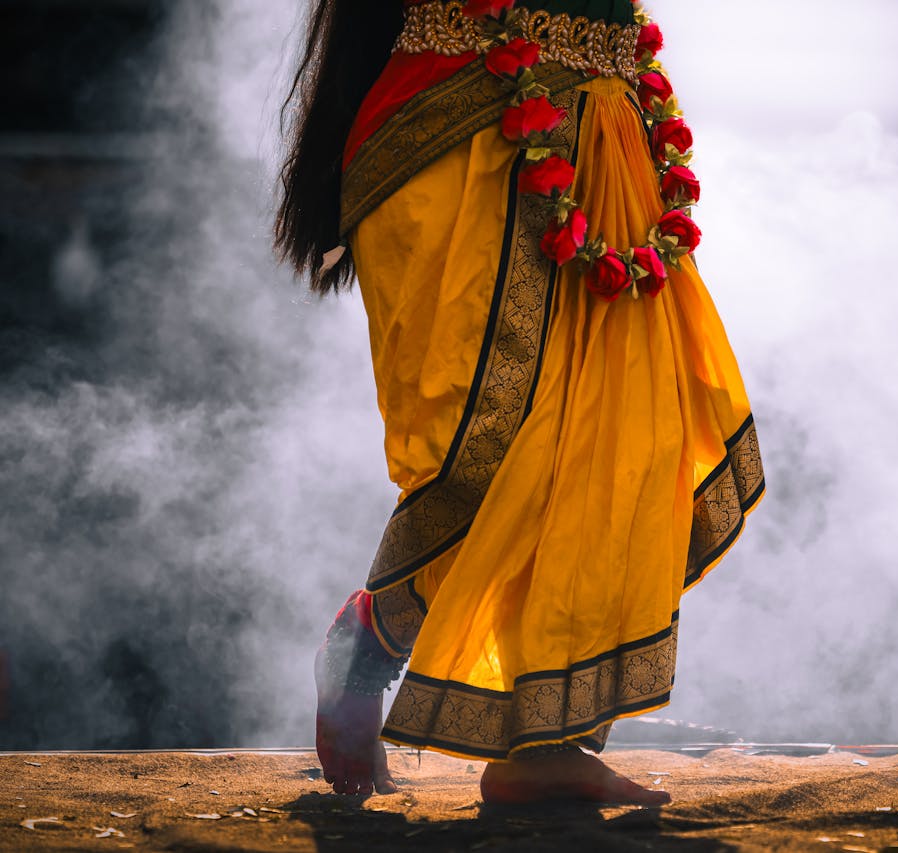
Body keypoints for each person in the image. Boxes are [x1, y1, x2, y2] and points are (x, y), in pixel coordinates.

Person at [276, 0, 763, 805]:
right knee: (500, 445)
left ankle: (546, 750)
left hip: (604, 141)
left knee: (623, 438)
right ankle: (374, 642)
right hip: (464, 135)